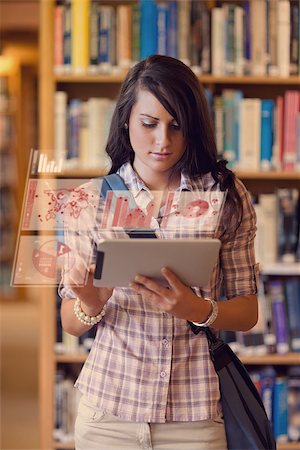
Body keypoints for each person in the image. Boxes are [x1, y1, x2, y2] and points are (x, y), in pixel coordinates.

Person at [59, 54, 259, 450]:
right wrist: (89, 301)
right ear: (126, 121)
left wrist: (198, 310)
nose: (163, 141)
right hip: (108, 414)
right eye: (149, 124)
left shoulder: (226, 196)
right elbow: (71, 323)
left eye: (176, 125)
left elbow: (248, 311)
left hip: (195, 416)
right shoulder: (89, 200)